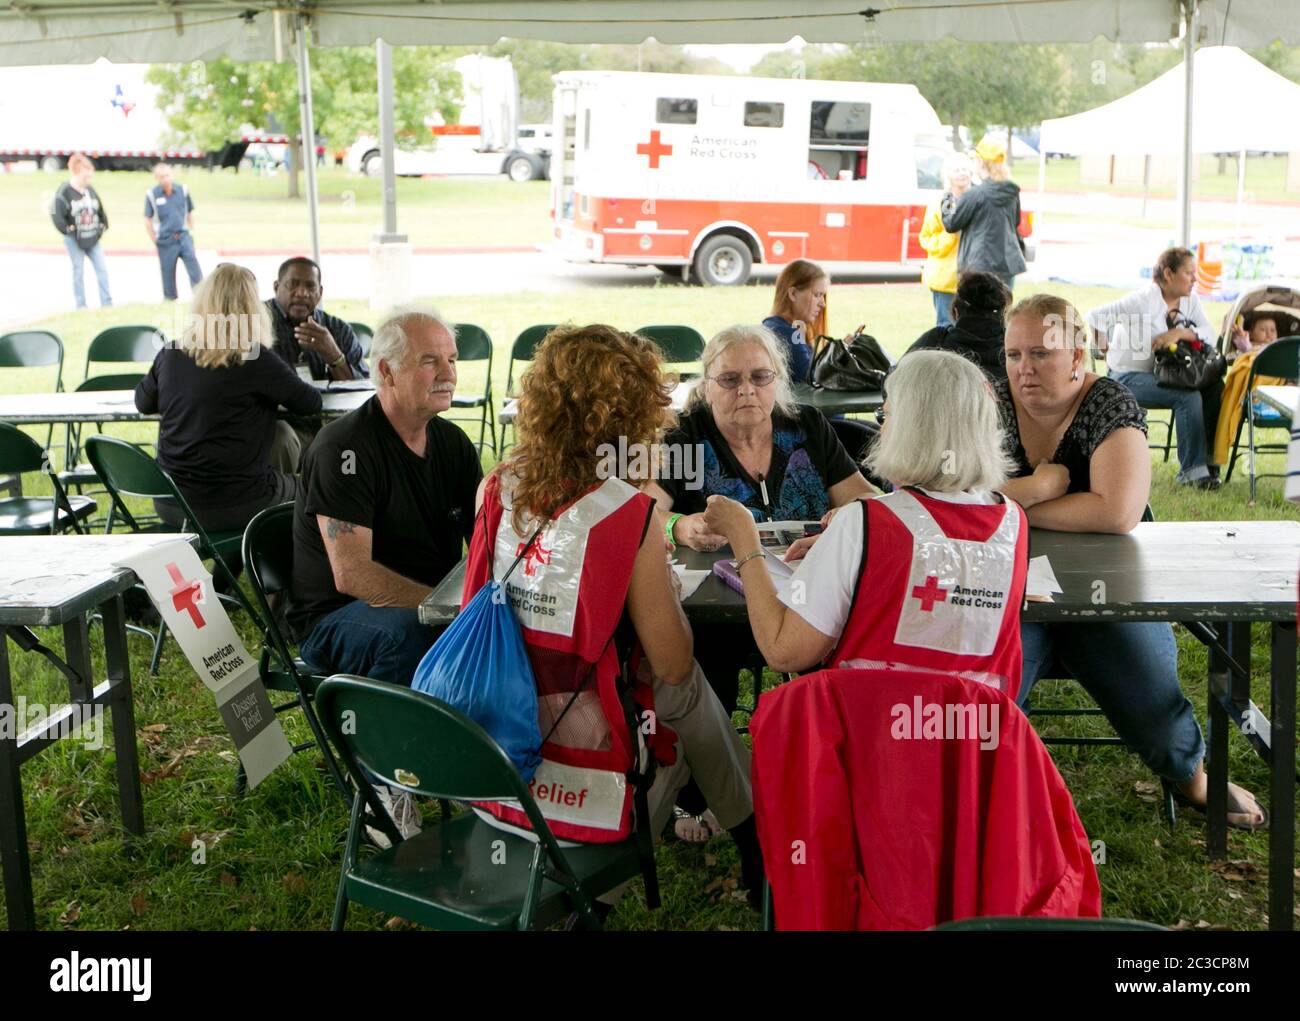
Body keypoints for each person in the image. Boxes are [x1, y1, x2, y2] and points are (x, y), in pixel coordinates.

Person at [466, 322, 762, 909]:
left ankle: (752, 844)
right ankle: (753, 845)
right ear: (627, 422)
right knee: (686, 689)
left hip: (498, 719)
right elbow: (673, 663)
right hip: (583, 739)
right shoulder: (628, 516)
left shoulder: (497, 485)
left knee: (679, 696)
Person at [996, 293, 1265, 829]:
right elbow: (951, 498)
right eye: (1013, 354)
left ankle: (1193, 777)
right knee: (986, 697)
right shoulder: (991, 403)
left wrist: (1013, 503)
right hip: (1008, 592)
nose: (1023, 370)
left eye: (1040, 354)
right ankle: (995, 805)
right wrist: (1038, 487)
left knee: (1153, 705)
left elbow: (1117, 511)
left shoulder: (1109, 402)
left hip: (1108, 589)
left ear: (1077, 355)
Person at [702, 349, 1028, 697]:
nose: (880, 428)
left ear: (911, 429)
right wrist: (846, 550)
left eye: (884, 416)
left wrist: (744, 539)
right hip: (974, 738)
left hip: (868, 733)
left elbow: (784, 651)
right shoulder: (1014, 522)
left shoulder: (862, 523)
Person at [134, 263, 321, 532]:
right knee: (312, 487)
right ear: (252, 309)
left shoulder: (171, 353)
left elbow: (143, 402)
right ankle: (275, 565)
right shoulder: (256, 359)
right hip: (239, 502)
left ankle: (226, 572)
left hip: (171, 502)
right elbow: (311, 404)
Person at [1086, 247, 1222, 488]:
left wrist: (1179, 332)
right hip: (1126, 377)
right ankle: (1192, 473)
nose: (1195, 279)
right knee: (1188, 397)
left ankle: (1209, 466)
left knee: (1214, 388)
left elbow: (1208, 333)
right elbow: (1094, 316)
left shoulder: (1190, 300)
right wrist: (1103, 348)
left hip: (1167, 374)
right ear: (1168, 274)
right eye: (1189, 273)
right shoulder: (1141, 301)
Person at [940, 137, 1026, 292]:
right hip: (1007, 264)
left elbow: (951, 224)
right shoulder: (1012, 192)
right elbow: (1016, 222)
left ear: (981, 162)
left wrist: (947, 198)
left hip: (978, 267)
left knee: (977, 314)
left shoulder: (975, 194)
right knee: (1003, 313)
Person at [265, 257, 368, 382]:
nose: (302, 293)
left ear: (320, 292)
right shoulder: (252, 323)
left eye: (310, 286)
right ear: (276, 287)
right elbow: (241, 382)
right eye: (293, 284)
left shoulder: (338, 329)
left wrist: (334, 355)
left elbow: (363, 388)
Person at [762, 259, 857, 384]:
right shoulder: (786, 332)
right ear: (793, 294)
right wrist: (839, 351)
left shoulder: (776, 326)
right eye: (817, 295)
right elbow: (812, 378)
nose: (823, 304)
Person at [1213, 311, 1289, 466]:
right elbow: (1243, 352)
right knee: (1250, 362)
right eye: (1263, 330)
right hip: (1256, 394)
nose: (1269, 334)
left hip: (1283, 393)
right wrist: (1244, 342)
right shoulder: (1250, 348)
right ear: (1251, 333)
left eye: (1272, 330)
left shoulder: (1285, 349)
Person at [905, 270, 1011, 380]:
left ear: (955, 311)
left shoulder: (934, 342)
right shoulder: (1016, 346)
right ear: (1003, 313)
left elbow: (893, 380)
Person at [50, 154, 112, 310]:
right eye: (86, 173)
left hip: (93, 237)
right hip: (75, 239)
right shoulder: (64, 191)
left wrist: (103, 225)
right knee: (78, 271)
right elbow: (56, 215)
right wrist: (67, 230)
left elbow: (100, 209)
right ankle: (81, 305)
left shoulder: (89, 190)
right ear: (76, 172)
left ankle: (107, 303)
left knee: (102, 269)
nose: (89, 176)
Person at [919, 154, 971, 325]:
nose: (961, 174)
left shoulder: (976, 200)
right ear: (948, 174)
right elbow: (927, 238)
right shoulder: (940, 202)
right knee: (946, 326)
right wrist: (951, 234)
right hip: (945, 278)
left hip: (972, 278)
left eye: (964, 169)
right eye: (957, 170)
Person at [144, 162, 203, 301]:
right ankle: (170, 299)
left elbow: (189, 213)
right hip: (166, 239)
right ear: (157, 178)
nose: (165, 179)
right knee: (167, 272)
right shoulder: (152, 195)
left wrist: (191, 231)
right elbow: (147, 219)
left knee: (194, 268)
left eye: (167, 176)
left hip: (183, 236)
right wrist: (155, 239)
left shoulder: (182, 190)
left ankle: (201, 296)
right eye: (161, 177)